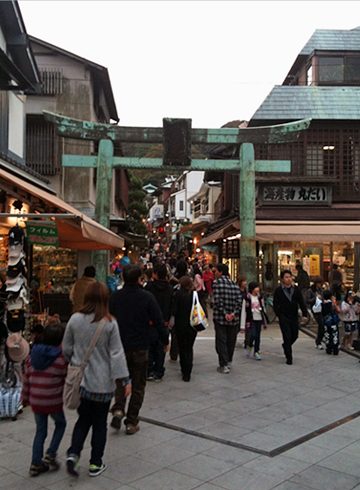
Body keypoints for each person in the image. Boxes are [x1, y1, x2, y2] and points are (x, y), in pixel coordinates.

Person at [62, 282, 130, 477]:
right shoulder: (110, 323)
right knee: (100, 424)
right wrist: (125, 380)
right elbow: (117, 353)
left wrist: (73, 361)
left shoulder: (75, 320)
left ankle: (73, 453)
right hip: (103, 384)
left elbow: (66, 348)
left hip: (81, 382)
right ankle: (95, 463)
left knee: (83, 420)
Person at [109, 265, 169, 435]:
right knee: (138, 384)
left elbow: (108, 320)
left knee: (121, 379)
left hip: (120, 346)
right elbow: (158, 320)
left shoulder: (115, 297)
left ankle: (119, 408)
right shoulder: (146, 297)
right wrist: (165, 340)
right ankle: (131, 421)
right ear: (139, 279)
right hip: (141, 346)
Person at [21, 320, 68, 477]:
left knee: (40, 431)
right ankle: (51, 453)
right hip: (53, 401)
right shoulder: (60, 360)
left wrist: (25, 398)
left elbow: (26, 378)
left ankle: (35, 464)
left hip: (36, 401)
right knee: (61, 424)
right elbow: (67, 379)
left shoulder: (33, 357)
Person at [171, 276, 206, 381]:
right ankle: (188, 370)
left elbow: (174, 310)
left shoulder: (178, 294)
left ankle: (184, 370)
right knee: (189, 348)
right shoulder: (195, 294)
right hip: (192, 325)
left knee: (182, 348)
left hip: (180, 325)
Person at [145, 262, 174, 381]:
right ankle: (159, 370)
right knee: (161, 347)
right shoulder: (170, 289)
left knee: (150, 347)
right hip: (164, 323)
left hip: (150, 323)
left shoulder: (149, 287)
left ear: (155, 274)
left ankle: (149, 370)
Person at [273, 270, 308, 365]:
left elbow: (301, 302)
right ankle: (289, 357)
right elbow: (275, 304)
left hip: (293, 316)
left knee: (295, 335)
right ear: (282, 279)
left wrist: (305, 314)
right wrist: (279, 314)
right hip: (284, 316)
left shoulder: (296, 289)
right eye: (286, 277)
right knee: (287, 336)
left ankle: (286, 346)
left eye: (290, 277)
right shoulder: (279, 290)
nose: (288, 279)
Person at [213, 263, 242, 373]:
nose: (215, 274)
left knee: (221, 340)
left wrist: (225, 313)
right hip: (233, 318)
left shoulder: (216, 283)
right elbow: (239, 301)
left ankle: (223, 364)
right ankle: (229, 361)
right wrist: (233, 313)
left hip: (220, 317)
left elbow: (218, 300)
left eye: (216, 271)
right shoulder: (234, 284)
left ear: (220, 272)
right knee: (231, 340)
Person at [244, 281, 268, 360]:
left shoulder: (260, 297)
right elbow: (244, 310)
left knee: (258, 336)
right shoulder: (247, 297)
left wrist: (265, 320)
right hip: (251, 319)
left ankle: (256, 352)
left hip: (259, 318)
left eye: (258, 287)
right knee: (253, 334)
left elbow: (263, 307)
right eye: (256, 287)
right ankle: (250, 345)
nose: (258, 289)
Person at [306, 276, 325, 350]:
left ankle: (319, 340)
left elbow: (324, 298)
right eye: (320, 283)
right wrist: (316, 299)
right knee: (321, 324)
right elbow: (307, 300)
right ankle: (318, 341)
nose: (321, 285)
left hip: (321, 309)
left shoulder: (321, 290)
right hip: (315, 309)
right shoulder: (311, 290)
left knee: (322, 325)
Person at [322, 290, 341, 355]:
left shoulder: (322, 303)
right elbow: (338, 310)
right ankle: (335, 349)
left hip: (325, 322)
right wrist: (334, 302)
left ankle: (328, 348)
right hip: (333, 321)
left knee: (327, 335)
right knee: (334, 335)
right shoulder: (332, 304)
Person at [237, 275, 248, 348]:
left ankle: (247, 341)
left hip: (246, 311)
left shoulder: (246, 290)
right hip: (238, 310)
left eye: (245, 281)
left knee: (247, 326)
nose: (245, 283)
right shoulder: (237, 290)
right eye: (243, 281)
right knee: (237, 326)